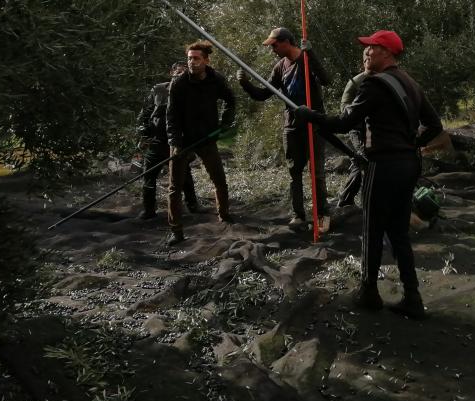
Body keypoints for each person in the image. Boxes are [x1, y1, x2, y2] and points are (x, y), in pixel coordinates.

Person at [294, 30, 443, 320]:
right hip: (408, 165)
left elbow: (344, 122)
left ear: (387, 53)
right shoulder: (410, 83)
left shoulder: (375, 85)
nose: (365, 53)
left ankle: (369, 292)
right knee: (398, 232)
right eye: (366, 48)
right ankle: (412, 297)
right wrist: (413, 144)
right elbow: (434, 125)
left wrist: (308, 115)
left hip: (384, 166)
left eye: (371, 48)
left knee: (372, 229)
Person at [237, 27, 330, 231]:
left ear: (287, 42)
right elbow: (263, 94)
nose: (273, 49)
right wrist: (245, 84)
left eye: (275, 45)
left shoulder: (306, 59)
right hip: (291, 125)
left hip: (313, 123)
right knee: (294, 172)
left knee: (317, 173)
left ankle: (322, 214)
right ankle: (298, 215)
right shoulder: (280, 67)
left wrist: (311, 53)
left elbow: (326, 80)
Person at [165, 40, 237, 246]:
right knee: (174, 188)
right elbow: (171, 116)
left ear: (206, 60)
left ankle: (224, 215)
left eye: (196, 58)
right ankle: (176, 231)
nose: (192, 62)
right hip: (182, 139)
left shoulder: (216, 80)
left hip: (207, 138)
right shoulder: (178, 83)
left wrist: (225, 123)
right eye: (189, 58)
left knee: (219, 180)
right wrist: (175, 142)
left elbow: (231, 100)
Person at [136, 61, 200, 219]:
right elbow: (145, 112)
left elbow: (197, 118)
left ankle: (193, 206)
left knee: (185, 176)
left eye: (183, 74)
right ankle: (148, 210)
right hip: (156, 141)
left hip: (178, 142)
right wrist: (143, 130)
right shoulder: (158, 90)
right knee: (149, 176)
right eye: (177, 72)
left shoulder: (192, 92)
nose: (180, 75)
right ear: (171, 73)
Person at [335, 50, 369, 208]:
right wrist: (358, 113)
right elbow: (345, 108)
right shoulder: (355, 82)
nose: (369, 61)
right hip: (357, 129)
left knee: (359, 162)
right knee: (362, 159)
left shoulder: (382, 80)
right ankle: (347, 199)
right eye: (366, 59)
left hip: (373, 129)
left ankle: (347, 199)